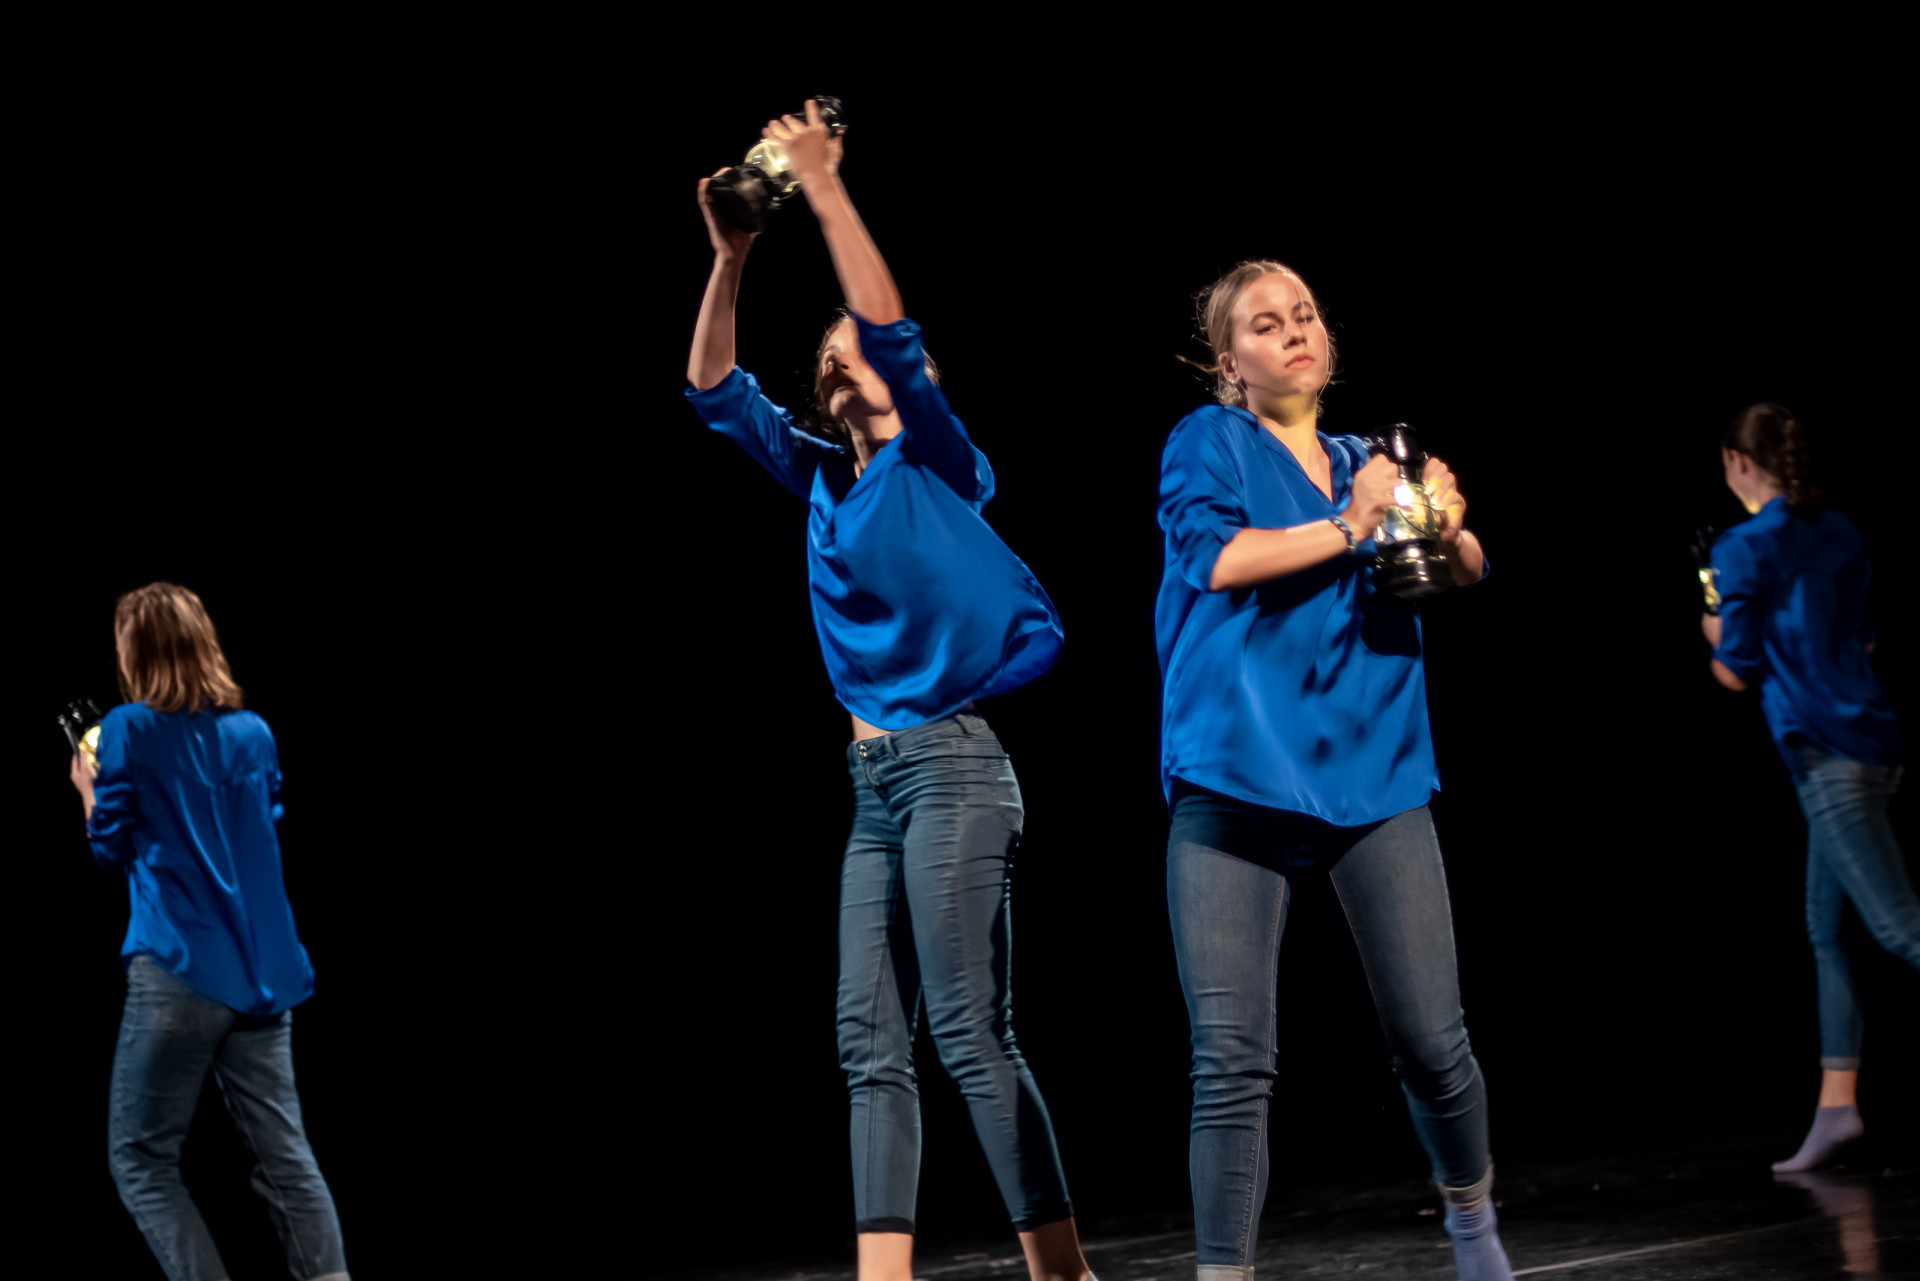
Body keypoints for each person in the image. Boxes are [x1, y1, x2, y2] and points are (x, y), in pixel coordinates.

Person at [683, 101, 1090, 1281]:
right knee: (869, 1042)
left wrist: (821, 186)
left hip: (954, 766)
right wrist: (731, 256)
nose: (839, 357)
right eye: (827, 354)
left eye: (852, 347)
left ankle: (1061, 1269)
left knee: (967, 1030)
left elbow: (890, 329)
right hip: (872, 785)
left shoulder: (936, 459)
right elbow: (712, 388)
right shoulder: (820, 477)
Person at [1155, 260, 1511, 1281]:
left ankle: (1473, 1222)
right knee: (1231, 1061)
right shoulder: (1209, 439)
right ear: (1230, 362)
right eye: (1266, 324)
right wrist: (1353, 522)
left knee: (1431, 1041)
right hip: (1235, 776)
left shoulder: (1369, 459)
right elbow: (1216, 561)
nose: (1294, 332)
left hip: (1372, 773)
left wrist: (1441, 520)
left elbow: (1469, 568)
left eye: (1304, 315)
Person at [67, 581, 348, 1281]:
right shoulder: (255, 732)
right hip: (263, 976)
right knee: (287, 1159)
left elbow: (109, 846)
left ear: (136, 652)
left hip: (180, 966)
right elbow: (263, 826)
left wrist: (87, 789)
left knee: (140, 1159)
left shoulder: (129, 728)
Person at [1703, 402, 1918, 1173]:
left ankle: (1837, 1109)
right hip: (1874, 741)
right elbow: (1866, 637)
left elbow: (1734, 670)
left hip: (1829, 756)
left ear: (1738, 462)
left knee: (1899, 927)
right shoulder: (1841, 529)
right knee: (1829, 932)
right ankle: (1836, 1108)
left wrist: (1711, 616)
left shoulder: (1741, 546)